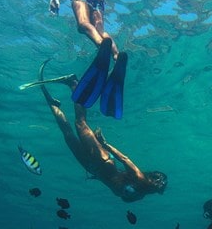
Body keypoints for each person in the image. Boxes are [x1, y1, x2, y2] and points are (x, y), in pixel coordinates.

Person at [37, 60, 167, 202]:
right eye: (159, 182)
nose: (160, 186)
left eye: (161, 185)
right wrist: (104, 144)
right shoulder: (139, 178)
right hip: (102, 161)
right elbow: (124, 159)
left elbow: (123, 195)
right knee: (80, 123)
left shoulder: (140, 195)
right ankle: (73, 83)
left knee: (68, 136)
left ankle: (53, 105)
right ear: (152, 178)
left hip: (93, 168)